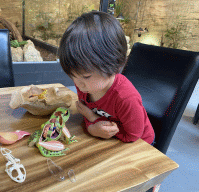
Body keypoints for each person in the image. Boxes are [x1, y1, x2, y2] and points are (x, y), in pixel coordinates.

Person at [58, 11, 155, 145]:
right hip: (108, 140)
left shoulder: (126, 98)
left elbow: (132, 136)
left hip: (139, 145)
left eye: (86, 76)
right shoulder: (85, 84)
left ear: (114, 65)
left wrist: (92, 118)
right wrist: (92, 125)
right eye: (72, 75)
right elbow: (84, 110)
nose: (77, 84)